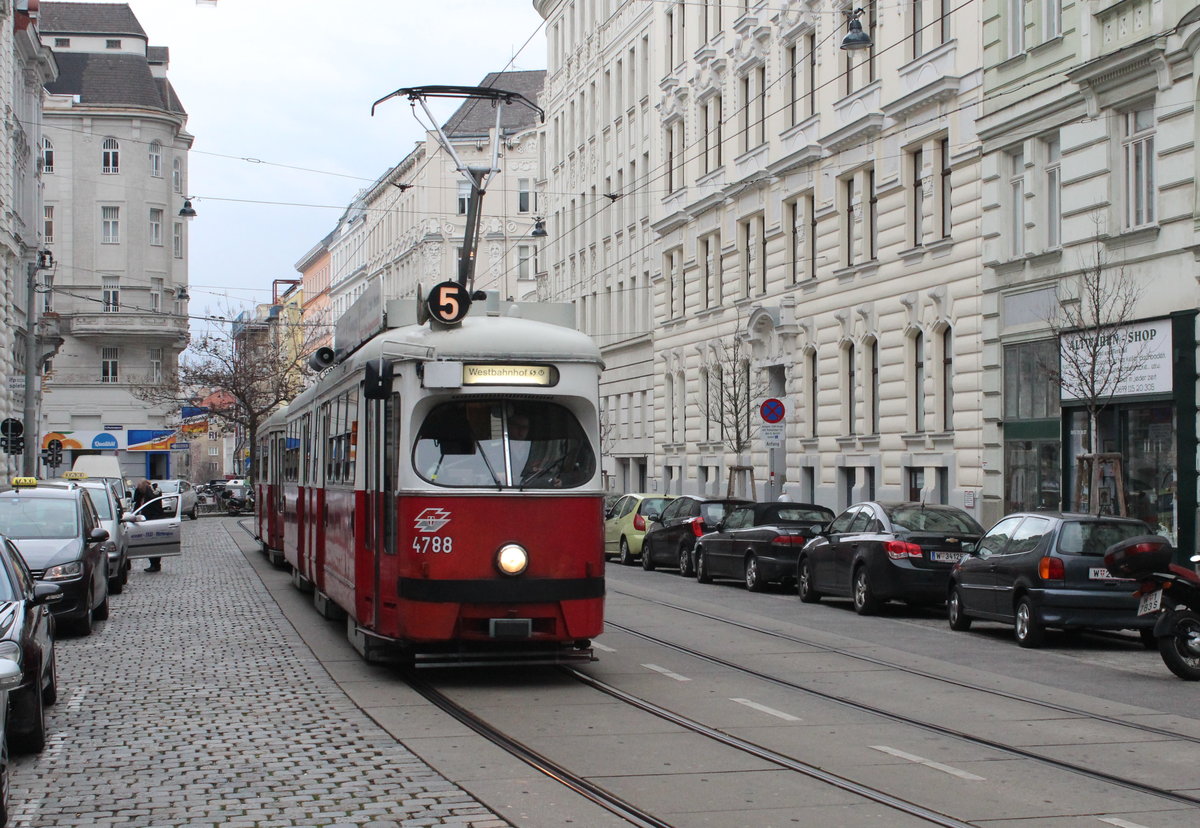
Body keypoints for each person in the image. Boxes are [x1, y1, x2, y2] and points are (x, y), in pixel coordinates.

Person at [133, 479, 162, 572]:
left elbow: (152, 498)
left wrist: (148, 489)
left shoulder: (153, 493)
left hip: (152, 521)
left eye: (141, 489)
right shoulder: (142, 495)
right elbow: (136, 500)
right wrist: (138, 490)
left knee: (153, 544)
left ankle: (155, 564)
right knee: (149, 544)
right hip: (145, 521)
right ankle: (153, 564)